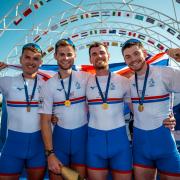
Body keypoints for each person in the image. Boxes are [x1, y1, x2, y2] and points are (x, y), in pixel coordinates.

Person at [122, 38, 180, 179]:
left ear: (144, 53)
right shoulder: (128, 84)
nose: (133, 59)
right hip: (141, 148)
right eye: (128, 57)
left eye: (136, 53)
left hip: (165, 144)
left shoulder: (165, 73)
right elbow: (136, 113)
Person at [39, 38, 89, 179]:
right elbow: (44, 121)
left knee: (79, 179)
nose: (65, 58)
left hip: (82, 140)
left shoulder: (86, 78)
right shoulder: (48, 86)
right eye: (61, 54)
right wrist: (50, 153)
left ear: (75, 56)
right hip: (59, 141)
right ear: (55, 56)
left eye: (69, 54)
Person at [86, 42, 133, 180]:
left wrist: (167, 118)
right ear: (90, 59)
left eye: (102, 52)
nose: (98, 56)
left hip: (120, 143)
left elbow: (137, 111)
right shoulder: (84, 82)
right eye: (94, 54)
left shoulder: (124, 81)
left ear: (108, 56)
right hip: (95, 144)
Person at [0, 43, 46, 180]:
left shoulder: (48, 85)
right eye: (27, 57)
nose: (31, 62)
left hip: (38, 149)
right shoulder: (7, 82)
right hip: (12, 148)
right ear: (20, 60)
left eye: (36, 58)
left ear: (41, 62)